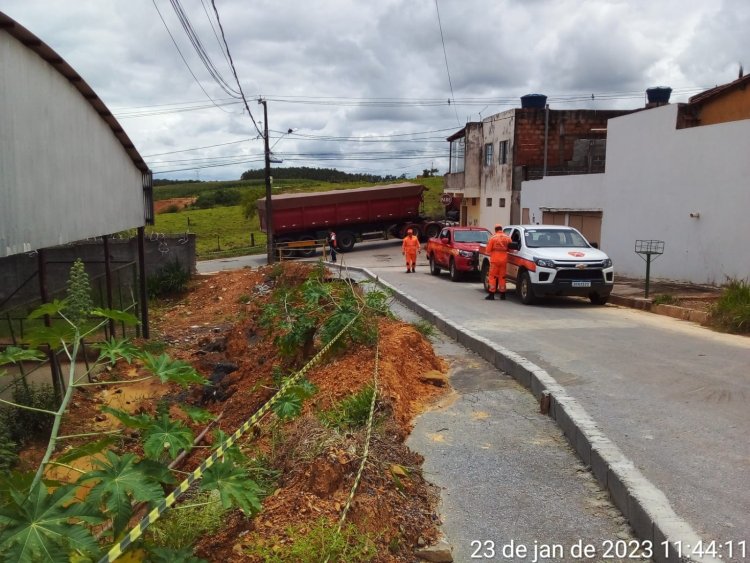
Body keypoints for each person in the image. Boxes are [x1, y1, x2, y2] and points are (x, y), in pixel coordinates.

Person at [485, 224, 512, 300]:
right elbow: (511, 248)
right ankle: (503, 294)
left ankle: (491, 294)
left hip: (495, 260)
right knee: (502, 277)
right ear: (501, 229)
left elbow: (488, 250)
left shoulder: (493, 238)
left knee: (493, 277)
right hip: (504, 260)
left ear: (495, 230)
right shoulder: (507, 237)